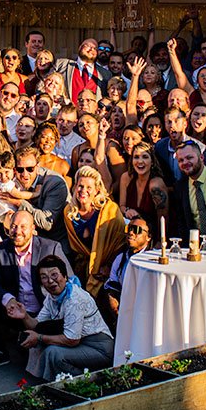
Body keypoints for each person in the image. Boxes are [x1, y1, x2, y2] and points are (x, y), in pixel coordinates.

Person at [0, 210, 68, 370]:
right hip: (15, 309)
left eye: (23, 227)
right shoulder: (1, 249)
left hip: (43, 311)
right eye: (13, 226)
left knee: (31, 361)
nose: (17, 231)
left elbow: (70, 282)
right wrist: (8, 299)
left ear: (33, 228)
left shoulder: (51, 248)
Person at [6, 254, 114, 381]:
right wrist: (24, 316)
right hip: (80, 344)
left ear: (64, 276)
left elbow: (72, 340)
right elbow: (36, 325)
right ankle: (60, 382)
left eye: (54, 275)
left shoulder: (75, 299)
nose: (50, 281)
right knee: (41, 344)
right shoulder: (52, 296)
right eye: (44, 277)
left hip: (98, 348)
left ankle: (90, 382)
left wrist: (39, 338)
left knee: (53, 353)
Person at [63, 167, 127, 296]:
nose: (83, 191)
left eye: (89, 187)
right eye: (80, 186)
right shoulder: (69, 212)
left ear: (97, 190)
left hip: (109, 270)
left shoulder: (109, 210)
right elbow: (75, 246)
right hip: (82, 269)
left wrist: (110, 265)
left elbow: (121, 242)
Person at [0, 146, 71, 252]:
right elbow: (4, 215)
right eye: (20, 169)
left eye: (30, 169)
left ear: (37, 167)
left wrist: (19, 202)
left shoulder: (55, 183)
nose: (25, 174)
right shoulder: (10, 179)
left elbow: (47, 223)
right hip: (23, 242)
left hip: (54, 245)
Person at [97, 218, 151, 331]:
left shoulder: (152, 260)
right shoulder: (120, 257)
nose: (131, 233)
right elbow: (112, 282)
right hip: (122, 304)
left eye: (137, 230)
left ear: (148, 237)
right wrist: (112, 298)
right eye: (129, 229)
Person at [172, 141, 206, 238]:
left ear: (201, 157)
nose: (185, 162)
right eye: (181, 160)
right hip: (196, 245)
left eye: (189, 158)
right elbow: (181, 224)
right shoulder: (179, 187)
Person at [118, 142, 169, 231]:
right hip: (131, 230)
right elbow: (121, 206)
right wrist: (127, 211)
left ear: (152, 161)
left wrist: (159, 242)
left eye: (145, 157)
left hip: (152, 232)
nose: (140, 161)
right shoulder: (126, 178)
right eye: (136, 157)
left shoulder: (156, 184)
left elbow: (163, 218)